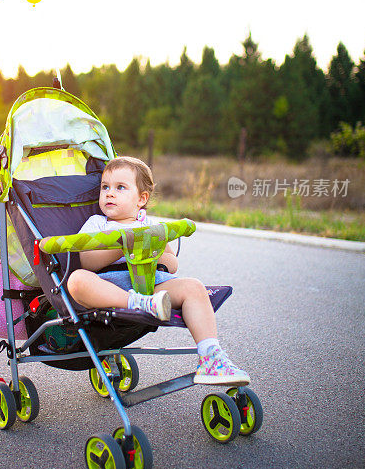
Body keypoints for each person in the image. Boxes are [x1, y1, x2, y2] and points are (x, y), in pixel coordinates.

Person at [66, 156, 249, 386]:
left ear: (141, 199)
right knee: (77, 280)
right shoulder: (97, 223)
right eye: (105, 187)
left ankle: (211, 356)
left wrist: (151, 248)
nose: (109, 193)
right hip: (111, 287)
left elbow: (172, 263)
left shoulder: (149, 226)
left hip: (152, 284)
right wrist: (124, 245)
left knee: (193, 286)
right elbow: (88, 261)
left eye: (120, 187)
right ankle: (136, 302)